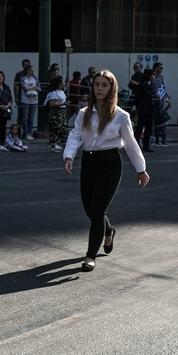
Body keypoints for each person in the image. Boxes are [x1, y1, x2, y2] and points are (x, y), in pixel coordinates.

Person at [63, 69, 149, 272]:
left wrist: (140, 169)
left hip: (110, 163)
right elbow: (75, 135)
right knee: (90, 211)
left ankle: (90, 256)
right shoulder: (84, 113)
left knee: (98, 210)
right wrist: (69, 156)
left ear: (112, 89)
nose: (100, 88)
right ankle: (108, 230)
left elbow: (130, 144)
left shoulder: (120, 115)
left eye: (104, 85)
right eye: (97, 84)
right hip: (89, 162)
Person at [133, 68, 156, 151]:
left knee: (149, 128)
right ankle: (136, 145)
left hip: (150, 109)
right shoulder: (142, 85)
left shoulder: (150, 85)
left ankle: (146, 145)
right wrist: (139, 108)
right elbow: (137, 98)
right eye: (152, 75)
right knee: (140, 127)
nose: (153, 76)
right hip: (143, 109)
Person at [43, 76, 67, 151]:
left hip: (62, 111)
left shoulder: (62, 91)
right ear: (59, 83)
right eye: (62, 82)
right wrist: (62, 103)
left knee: (63, 128)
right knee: (56, 128)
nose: (64, 83)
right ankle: (53, 144)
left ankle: (64, 144)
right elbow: (52, 104)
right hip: (56, 112)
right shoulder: (54, 92)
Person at [17, 65, 40, 140]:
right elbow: (25, 88)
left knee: (31, 118)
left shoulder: (35, 78)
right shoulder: (22, 78)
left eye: (33, 70)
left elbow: (39, 89)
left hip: (34, 100)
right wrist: (33, 87)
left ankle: (30, 133)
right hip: (25, 100)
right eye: (31, 70)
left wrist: (35, 87)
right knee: (25, 117)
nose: (32, 72)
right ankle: (26, 133)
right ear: (27, 71)